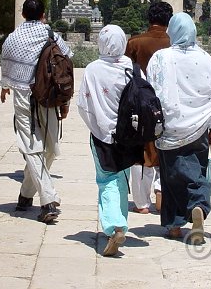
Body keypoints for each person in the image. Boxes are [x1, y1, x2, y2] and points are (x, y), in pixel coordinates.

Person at [147, 12, 211, 243]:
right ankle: (195, 208)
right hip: (200, 125)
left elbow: (153, 90)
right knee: (196, 169)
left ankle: (176, 223)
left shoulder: (162, 57)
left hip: (171, 126)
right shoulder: (206, 58)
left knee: (171, 176)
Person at [0, 0, 73, 224]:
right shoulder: (50, 35)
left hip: (23, 94)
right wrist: (64, 100)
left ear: (22, 14)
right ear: (43, 15)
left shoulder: (12, 38)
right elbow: (65, 61)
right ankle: (39, 198)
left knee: (37, 148)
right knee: (44, 147)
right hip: (48, 96)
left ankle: (35, 197)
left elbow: (6, 64)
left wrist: (4, 86)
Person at [77, 25, 137, 257]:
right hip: (128, 136)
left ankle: (116, 225)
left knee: (107, 180)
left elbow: (83, 104)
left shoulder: (93, 69)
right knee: (122, 178)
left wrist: (97, 126)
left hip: (102, 135)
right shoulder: (131, 67)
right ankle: (120, 220)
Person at [124, 1, 173, 214]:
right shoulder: (174, 43)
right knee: (166, 147)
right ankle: (162, 191)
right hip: (170, 103)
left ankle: (141, 203)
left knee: (141, 151)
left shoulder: (135, 43)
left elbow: (125, 74)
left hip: (140, 103)